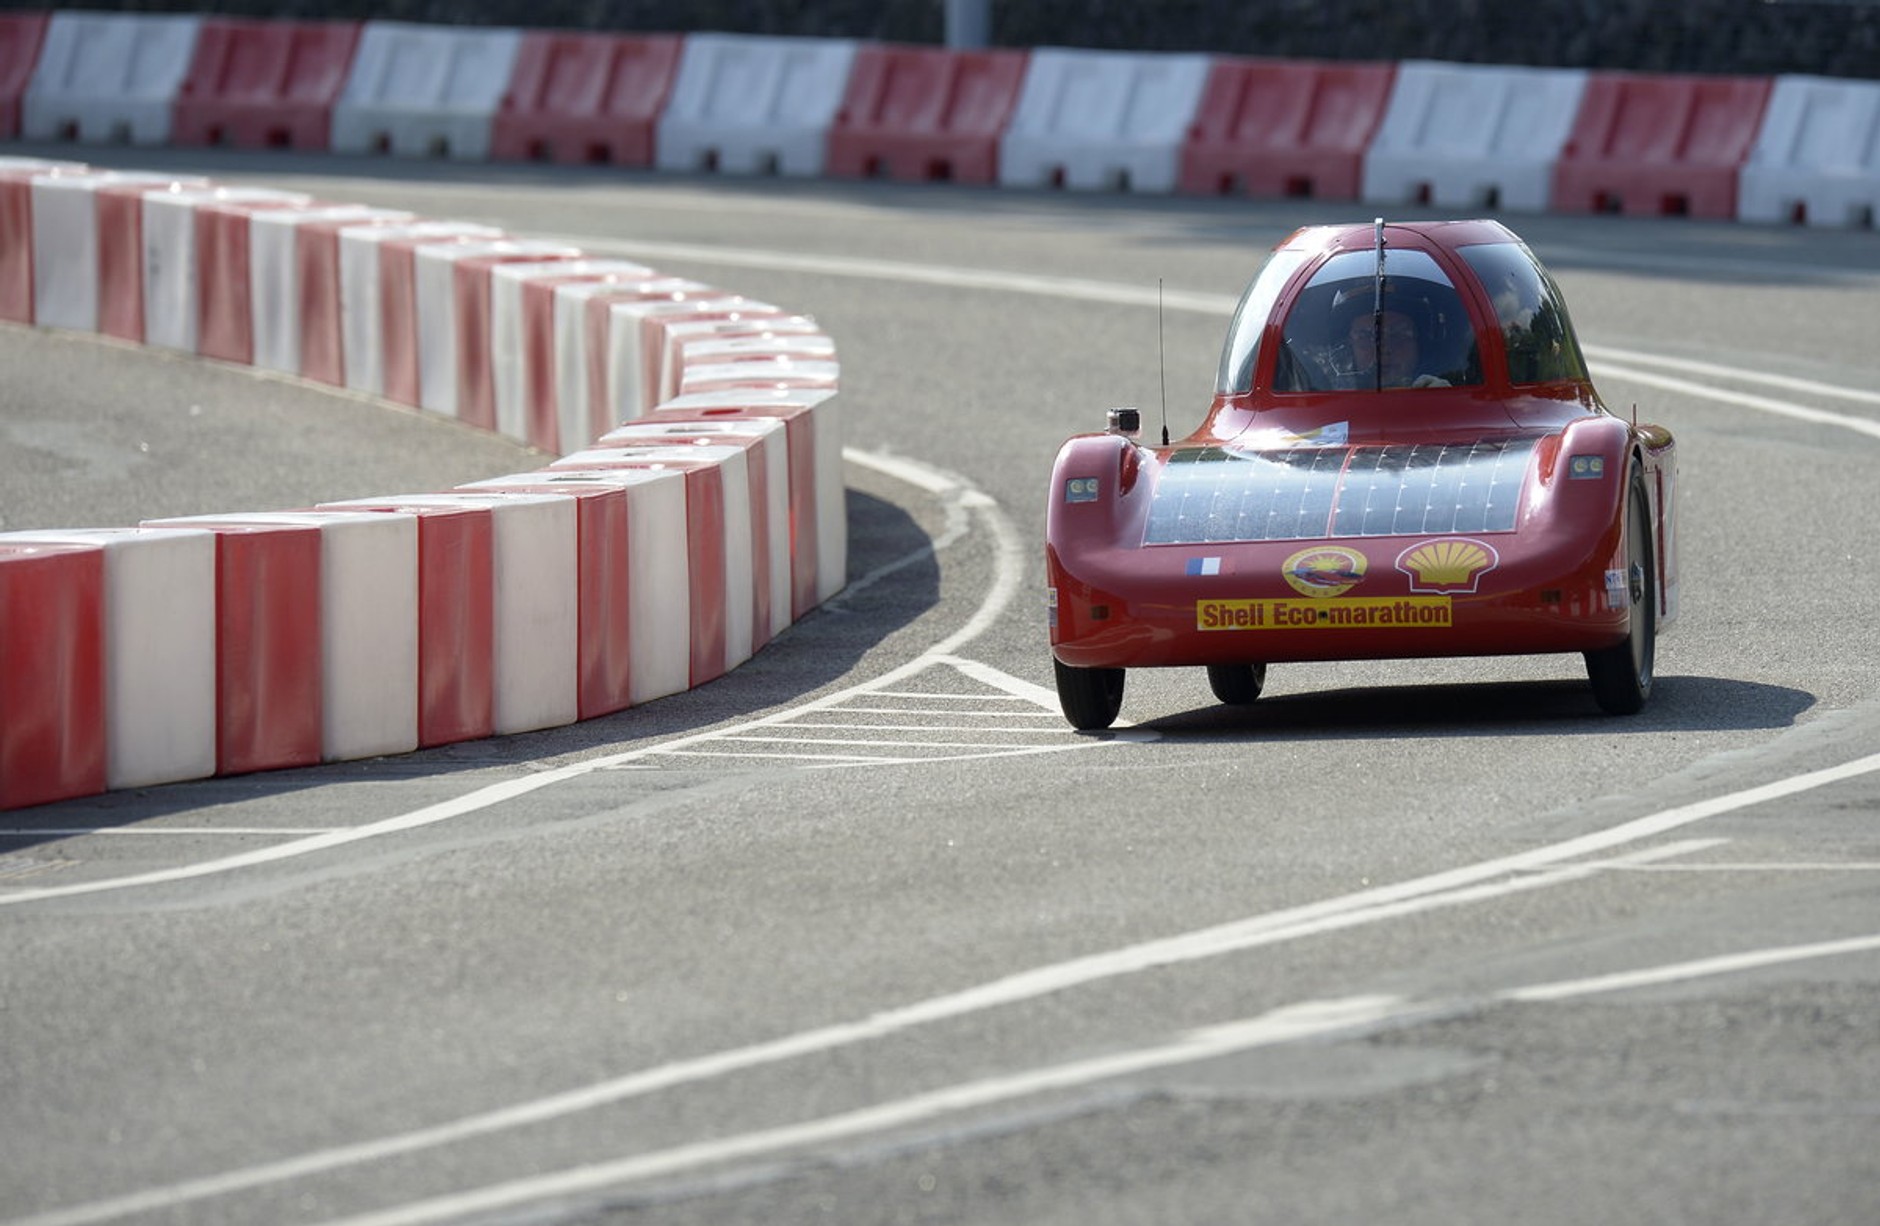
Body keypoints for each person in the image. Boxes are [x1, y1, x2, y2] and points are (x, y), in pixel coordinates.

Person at [1343, 305, 1450, 389]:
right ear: (1350, 347)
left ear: (1420, 344)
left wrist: (1446, 402)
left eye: (1398, 334)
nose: (1383, 349)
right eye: (1364, 336)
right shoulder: (1332, 405)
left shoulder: (1443, 396)